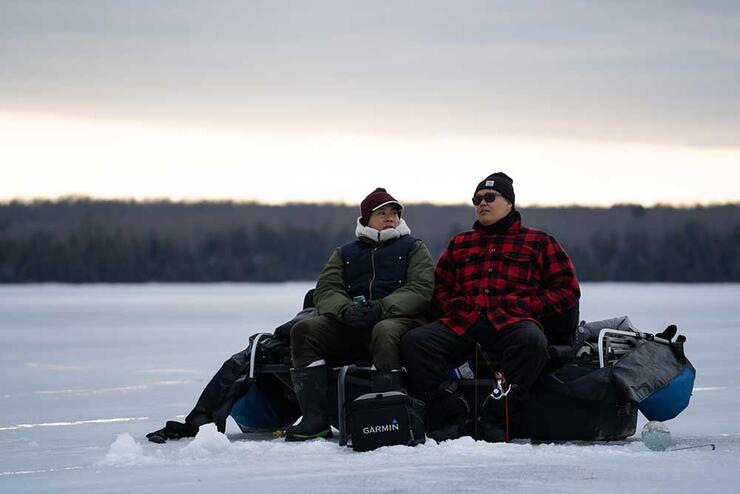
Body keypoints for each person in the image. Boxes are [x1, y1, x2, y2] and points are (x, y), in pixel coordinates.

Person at [400, 172, 580, 442]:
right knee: (415, 342)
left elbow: (567, 291)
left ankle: (496, 416)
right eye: (477, 199)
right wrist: (455, 305)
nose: (482, 203)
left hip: (511, 322)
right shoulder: (461, 243)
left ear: (509, 203)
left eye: (489, 197)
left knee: (532, 342)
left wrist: (526, 305)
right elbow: (439, 289)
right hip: (464, 322)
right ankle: (454, 412)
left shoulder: (540, 242)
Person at [284, 187, 435, 441]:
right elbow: (326, 290)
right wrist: (345, 310)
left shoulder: (413, 248)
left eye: (394, 212)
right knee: (303, 330)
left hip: (398, 320)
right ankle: (315, 418)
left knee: (384, 330)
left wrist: (382, 308)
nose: (390, 217)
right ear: (366, 219)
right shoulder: (344, 253)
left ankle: (389, 416)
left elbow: (421, 289)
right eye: (382, 212)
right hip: (350, 321)